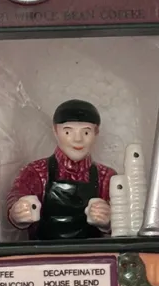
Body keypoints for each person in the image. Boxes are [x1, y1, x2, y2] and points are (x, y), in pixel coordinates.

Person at [6, 99, 114, 240]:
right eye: (68, 132)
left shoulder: (106, 177)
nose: (77, 139)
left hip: (91, 253)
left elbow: (126, 219)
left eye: (86, 132)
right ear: (55, 131)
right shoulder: (37, 172)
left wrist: (109, 220)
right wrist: (17, 213)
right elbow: (16, 196)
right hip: (44, 251)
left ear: (96, 132)